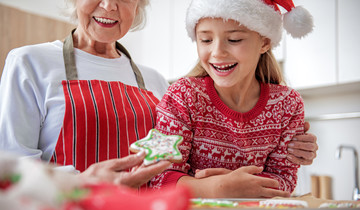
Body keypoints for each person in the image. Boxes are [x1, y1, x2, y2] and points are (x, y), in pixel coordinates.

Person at [0, 0, 316, 188]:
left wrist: (288, 144)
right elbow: (11, 169)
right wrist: (84, 184)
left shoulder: (153, 80)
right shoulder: (30, 62)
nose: (110, 6)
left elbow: (174, 160)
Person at [150, 0, 315, 198]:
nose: (218, 52)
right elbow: (158, 178)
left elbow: (285, 179)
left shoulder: (287, 104)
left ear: (264, 42)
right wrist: (217, 187)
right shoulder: (183, 96)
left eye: (234, 40)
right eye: (206, 40)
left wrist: (233, 186)